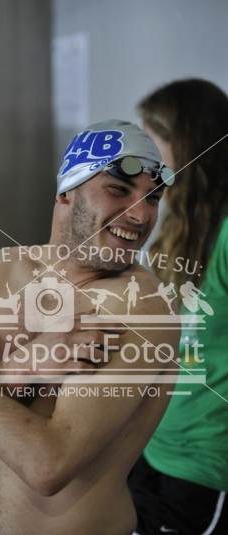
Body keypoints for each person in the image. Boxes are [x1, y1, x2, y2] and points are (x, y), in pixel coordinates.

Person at [0, 119, 180, 535]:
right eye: (118, 189)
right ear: (65, 192)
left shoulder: (137, 305)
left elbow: (48, 466)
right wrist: (24, 365)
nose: (141, 214)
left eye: (153, 198)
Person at [129, 79, 228, 534]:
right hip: (153, 444)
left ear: (189, 146)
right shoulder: (175, 228)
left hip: (205, 462)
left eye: (157, 142)